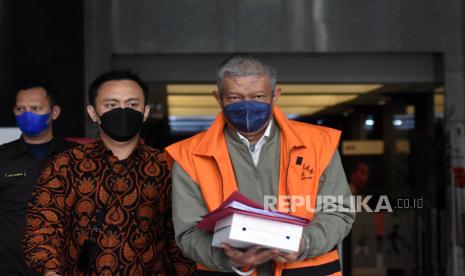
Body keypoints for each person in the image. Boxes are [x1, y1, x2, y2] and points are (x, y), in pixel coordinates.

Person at [166, 54, 355, 276]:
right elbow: (189, 233)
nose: (247, 106)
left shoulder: (318, 144)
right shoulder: (189, 155)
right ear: (218, 98)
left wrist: (304, 244)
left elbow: (338, 211)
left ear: (275, 96)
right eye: (235, 98)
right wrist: (231, 259)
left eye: (258, 96)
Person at [23, 70, 195, 275]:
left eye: (132, 104)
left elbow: (181, 240)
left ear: (146, 111)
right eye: (111, 105)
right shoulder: (64, 165)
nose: (123, 111)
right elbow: (42, 228)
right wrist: (50, 271)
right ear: (93, 112)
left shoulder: (167, 167)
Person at [0, 80, 77, 275]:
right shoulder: (3, 158)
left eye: (35, 108)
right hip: (12, 269)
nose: (27, 114)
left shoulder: (77, 157)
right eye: (20, 109)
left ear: (54, 112)